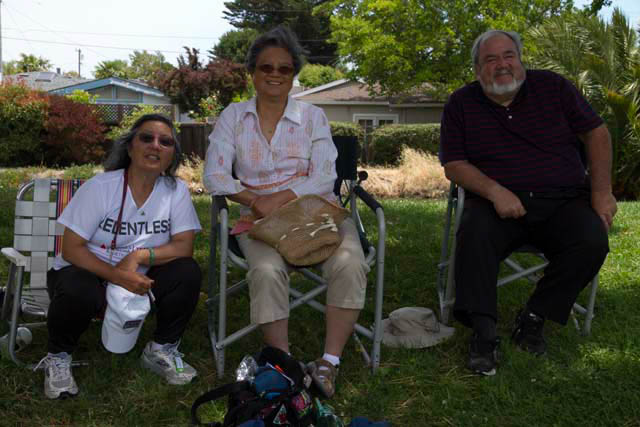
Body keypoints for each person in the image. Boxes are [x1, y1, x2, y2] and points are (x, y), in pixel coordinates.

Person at [203, 26, 369, 398]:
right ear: (252, 72)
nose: (275, 74)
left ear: (294, 73)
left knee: (350, 262)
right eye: (266, 67)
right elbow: (214, 175)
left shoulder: (313, 117)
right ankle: (285, 364)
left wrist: (277, 198)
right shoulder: (234, 117)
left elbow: (324, 175)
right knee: (265, 271)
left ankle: (329, 362)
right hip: (259, 221)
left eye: (285, 68)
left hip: (315, 213)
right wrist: (252, 200)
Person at [439, 30, 616, 376]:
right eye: (491, 59)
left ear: (521, 60)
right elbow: (454, 164)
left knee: (592, 239)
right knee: (474, 232)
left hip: (563, 201)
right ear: (477, 69)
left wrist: (601, 192)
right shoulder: (460, 103)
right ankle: (483, 331)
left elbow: (597, 133)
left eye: (509, 56)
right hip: (495, 204)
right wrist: (495, 191)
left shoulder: (553, 87)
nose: (502, 65)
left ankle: (535, 315)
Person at [36, 114, 202, 399]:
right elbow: (72, 248)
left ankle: (161, 349)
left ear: (172, 154)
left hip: (140, 279)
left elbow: (184, 246)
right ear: (130, 147)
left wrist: (139, 256)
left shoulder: (175, 191)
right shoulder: (101, 187)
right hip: (87, 273)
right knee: (78, 288)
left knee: (187, 271)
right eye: (146, 137)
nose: (155, 145)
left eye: (165, 142)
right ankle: (58, 356)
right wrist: (117, 276)